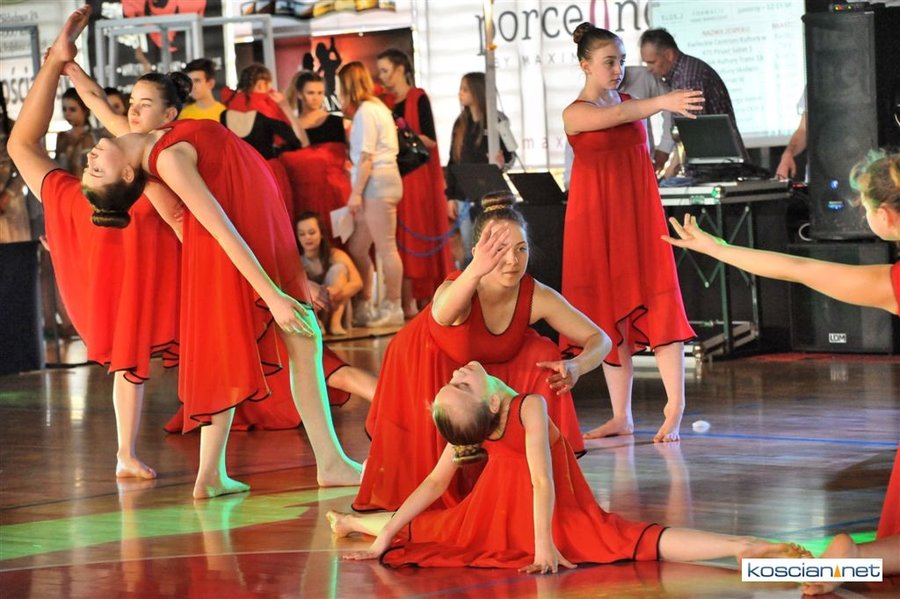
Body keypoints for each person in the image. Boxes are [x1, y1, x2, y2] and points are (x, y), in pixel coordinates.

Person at [61, 7, 361, 497]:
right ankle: (327, 463)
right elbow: (220, 229)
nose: (92, 157)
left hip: (254, 234)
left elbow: (99, 104)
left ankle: (212, 475)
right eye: (96, 170)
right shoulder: (168, 161)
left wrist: (68, 61)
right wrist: (274, 295)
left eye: (90, 164)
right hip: (245, 243)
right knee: (296, 343)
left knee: (235, 351)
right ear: (126, 175)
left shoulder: (138, 143)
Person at [661, 150, 900, 596]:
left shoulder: (893, 282)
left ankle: (853, 561)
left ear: (884, 216)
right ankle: (852, 561)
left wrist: (719, 249)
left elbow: (800, 269)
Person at [329, 361, 809, 571]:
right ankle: (355, 524)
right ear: (490, 405)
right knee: (637, 540)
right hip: (527, 511)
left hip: (535, 511)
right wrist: (545, 546)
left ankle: (742, 547)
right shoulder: (522, 407)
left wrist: (543, 544)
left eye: (453, 382)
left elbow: (538, 480)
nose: (457, 374)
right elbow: (439, 483)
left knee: (433, 529)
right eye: (460, 385)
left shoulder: (519, 409)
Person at [9, 6, 182, 479]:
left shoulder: (159, 157)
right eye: (134, 102)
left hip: (127, 239)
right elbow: (95, 102)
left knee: (136, 357)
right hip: (106, 230)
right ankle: (127, 452)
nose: (134, 110)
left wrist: (60, 63)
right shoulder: (132, 156)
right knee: (130, 357)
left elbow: (95, 110)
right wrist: (61, 64)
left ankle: (139, 451)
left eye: (144, 103)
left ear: (169, 114)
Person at [353, 192, 604, 512]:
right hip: (423, 361)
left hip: (472, 366)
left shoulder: (536, 295)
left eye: (521, 249)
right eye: (499, 250)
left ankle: (530, 477)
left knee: (541, 350)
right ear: (478, 253)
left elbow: (599, 338)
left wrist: (578, 365)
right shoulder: (458, 287)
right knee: (434, 504)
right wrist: (475, 270)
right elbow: (442, 315)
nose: (512, 261)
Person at [562, 24, 704, 444]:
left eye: (622, 61)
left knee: (660, 301)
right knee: (608, 314)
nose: (618, 69)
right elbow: (617, 117)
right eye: (609, 62)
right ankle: (620, 416)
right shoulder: (576, 113)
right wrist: (662, 102)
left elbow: (627, 113)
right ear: (585, 65)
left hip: (638, 220)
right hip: (597, 225)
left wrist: (657, 105)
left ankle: (674, 406)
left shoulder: (629, 102)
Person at [376, 48, 454, 316]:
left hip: (416, 176)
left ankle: (423, 298)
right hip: (394, 176)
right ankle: (404, 301)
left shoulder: (418, 98)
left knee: (415, 237)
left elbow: (429, 140)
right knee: (396, 240)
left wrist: (401, 137)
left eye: (385, 70)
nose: (382, 76)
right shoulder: (384, 102)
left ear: (400, 69)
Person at [338, 61, 404, 327]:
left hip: (376, 183)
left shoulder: (366, 111)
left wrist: (355, 193)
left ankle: (393, 305)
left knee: (387, 247)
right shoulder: (376, 108)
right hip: (379, 181)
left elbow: (366, 157)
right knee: (358, 246)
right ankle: (368, 302)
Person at [639, 28, 744, 177]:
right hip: (714, 165)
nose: (649, 69)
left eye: (652, 62)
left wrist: (669, 173)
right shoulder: (683, 72)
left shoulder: (688, 78)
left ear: (668, 55)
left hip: (716, 169)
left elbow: (692, 133)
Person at [221, 63, 309, 222]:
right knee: (277, 220)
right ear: (262, 84)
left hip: (239, 175)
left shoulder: (227, 110)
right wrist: (285, 106)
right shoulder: (266, 107)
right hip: (268, 171)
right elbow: (301, 141)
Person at [445, 72, 516, 266]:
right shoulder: (460, 123)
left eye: (465, 89)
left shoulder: (497, 120)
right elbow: (453, 160)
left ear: (477, 91)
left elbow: (511, 154)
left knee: (492, 241)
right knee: (469, 245)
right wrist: (450, 196)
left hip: (490, 194)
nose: (460, 93)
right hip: (463, 196)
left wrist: (502, 162)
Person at [281, 70, 351, 241]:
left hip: (336, 193)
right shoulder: (289, 128)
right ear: (300, 94)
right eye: (310, 93)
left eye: (320, 93)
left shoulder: (336, 122)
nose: (316, 98)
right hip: (302, 197)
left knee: (342, 241)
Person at [296, 211, 362, 336]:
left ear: (321, 233)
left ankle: (335, 323)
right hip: (314, 311)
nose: (307, 237)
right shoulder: (297, 261)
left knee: (338, 269)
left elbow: (357, 282)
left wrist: (334, 292)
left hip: (337, 306)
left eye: (311, 232)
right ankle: (316, 323)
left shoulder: (335, 254)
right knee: (301, 282)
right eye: (302, 234)